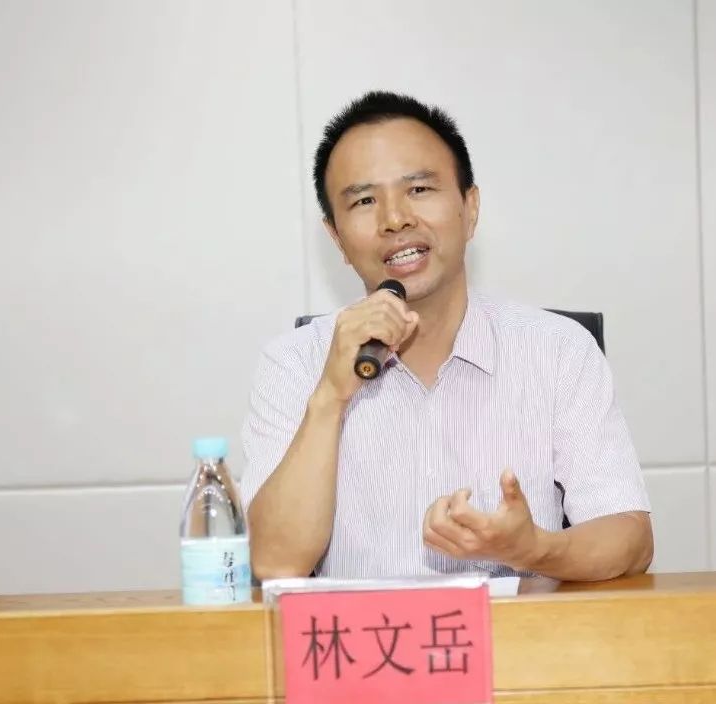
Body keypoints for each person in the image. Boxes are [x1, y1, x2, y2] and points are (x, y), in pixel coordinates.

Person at [240, 91, 652, 582]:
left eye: (418, 189)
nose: (395, 219)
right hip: (363, 635)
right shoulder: (293, 363)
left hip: (515, 633)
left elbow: (631, 541)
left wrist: (535, 549)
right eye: (365, 200)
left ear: (469, 208)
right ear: (338, 239)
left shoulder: (558, 350)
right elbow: (274, 563)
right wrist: (330, 396)